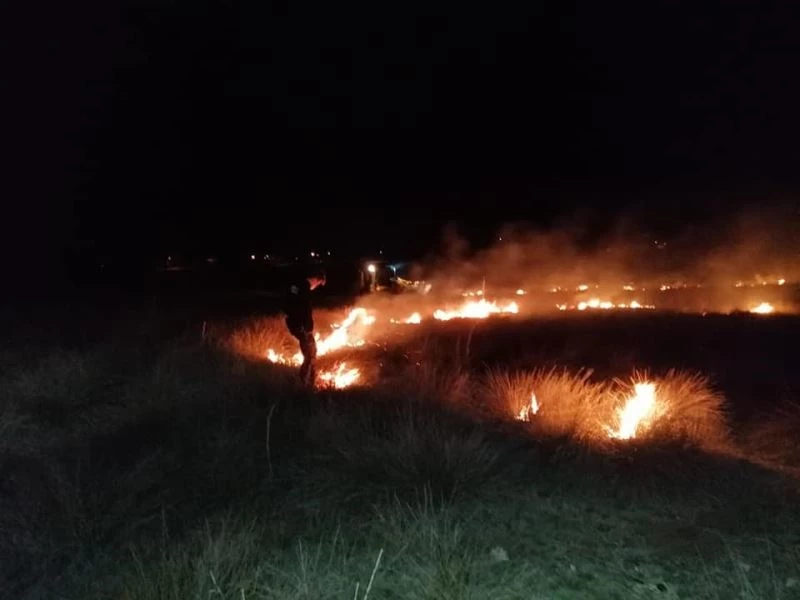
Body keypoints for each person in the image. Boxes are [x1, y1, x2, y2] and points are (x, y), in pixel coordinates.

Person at [283, 267, 326, 386]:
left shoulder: (300, 287)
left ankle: (309, 380)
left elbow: (290, 304)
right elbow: (297, 309)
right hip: (301, 327)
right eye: (318, 284)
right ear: (316, 280)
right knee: (310, 355)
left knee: (312, 352)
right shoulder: (302, 289)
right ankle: (306, 382)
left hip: (302, 327)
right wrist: (302, 326)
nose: (316, 287)